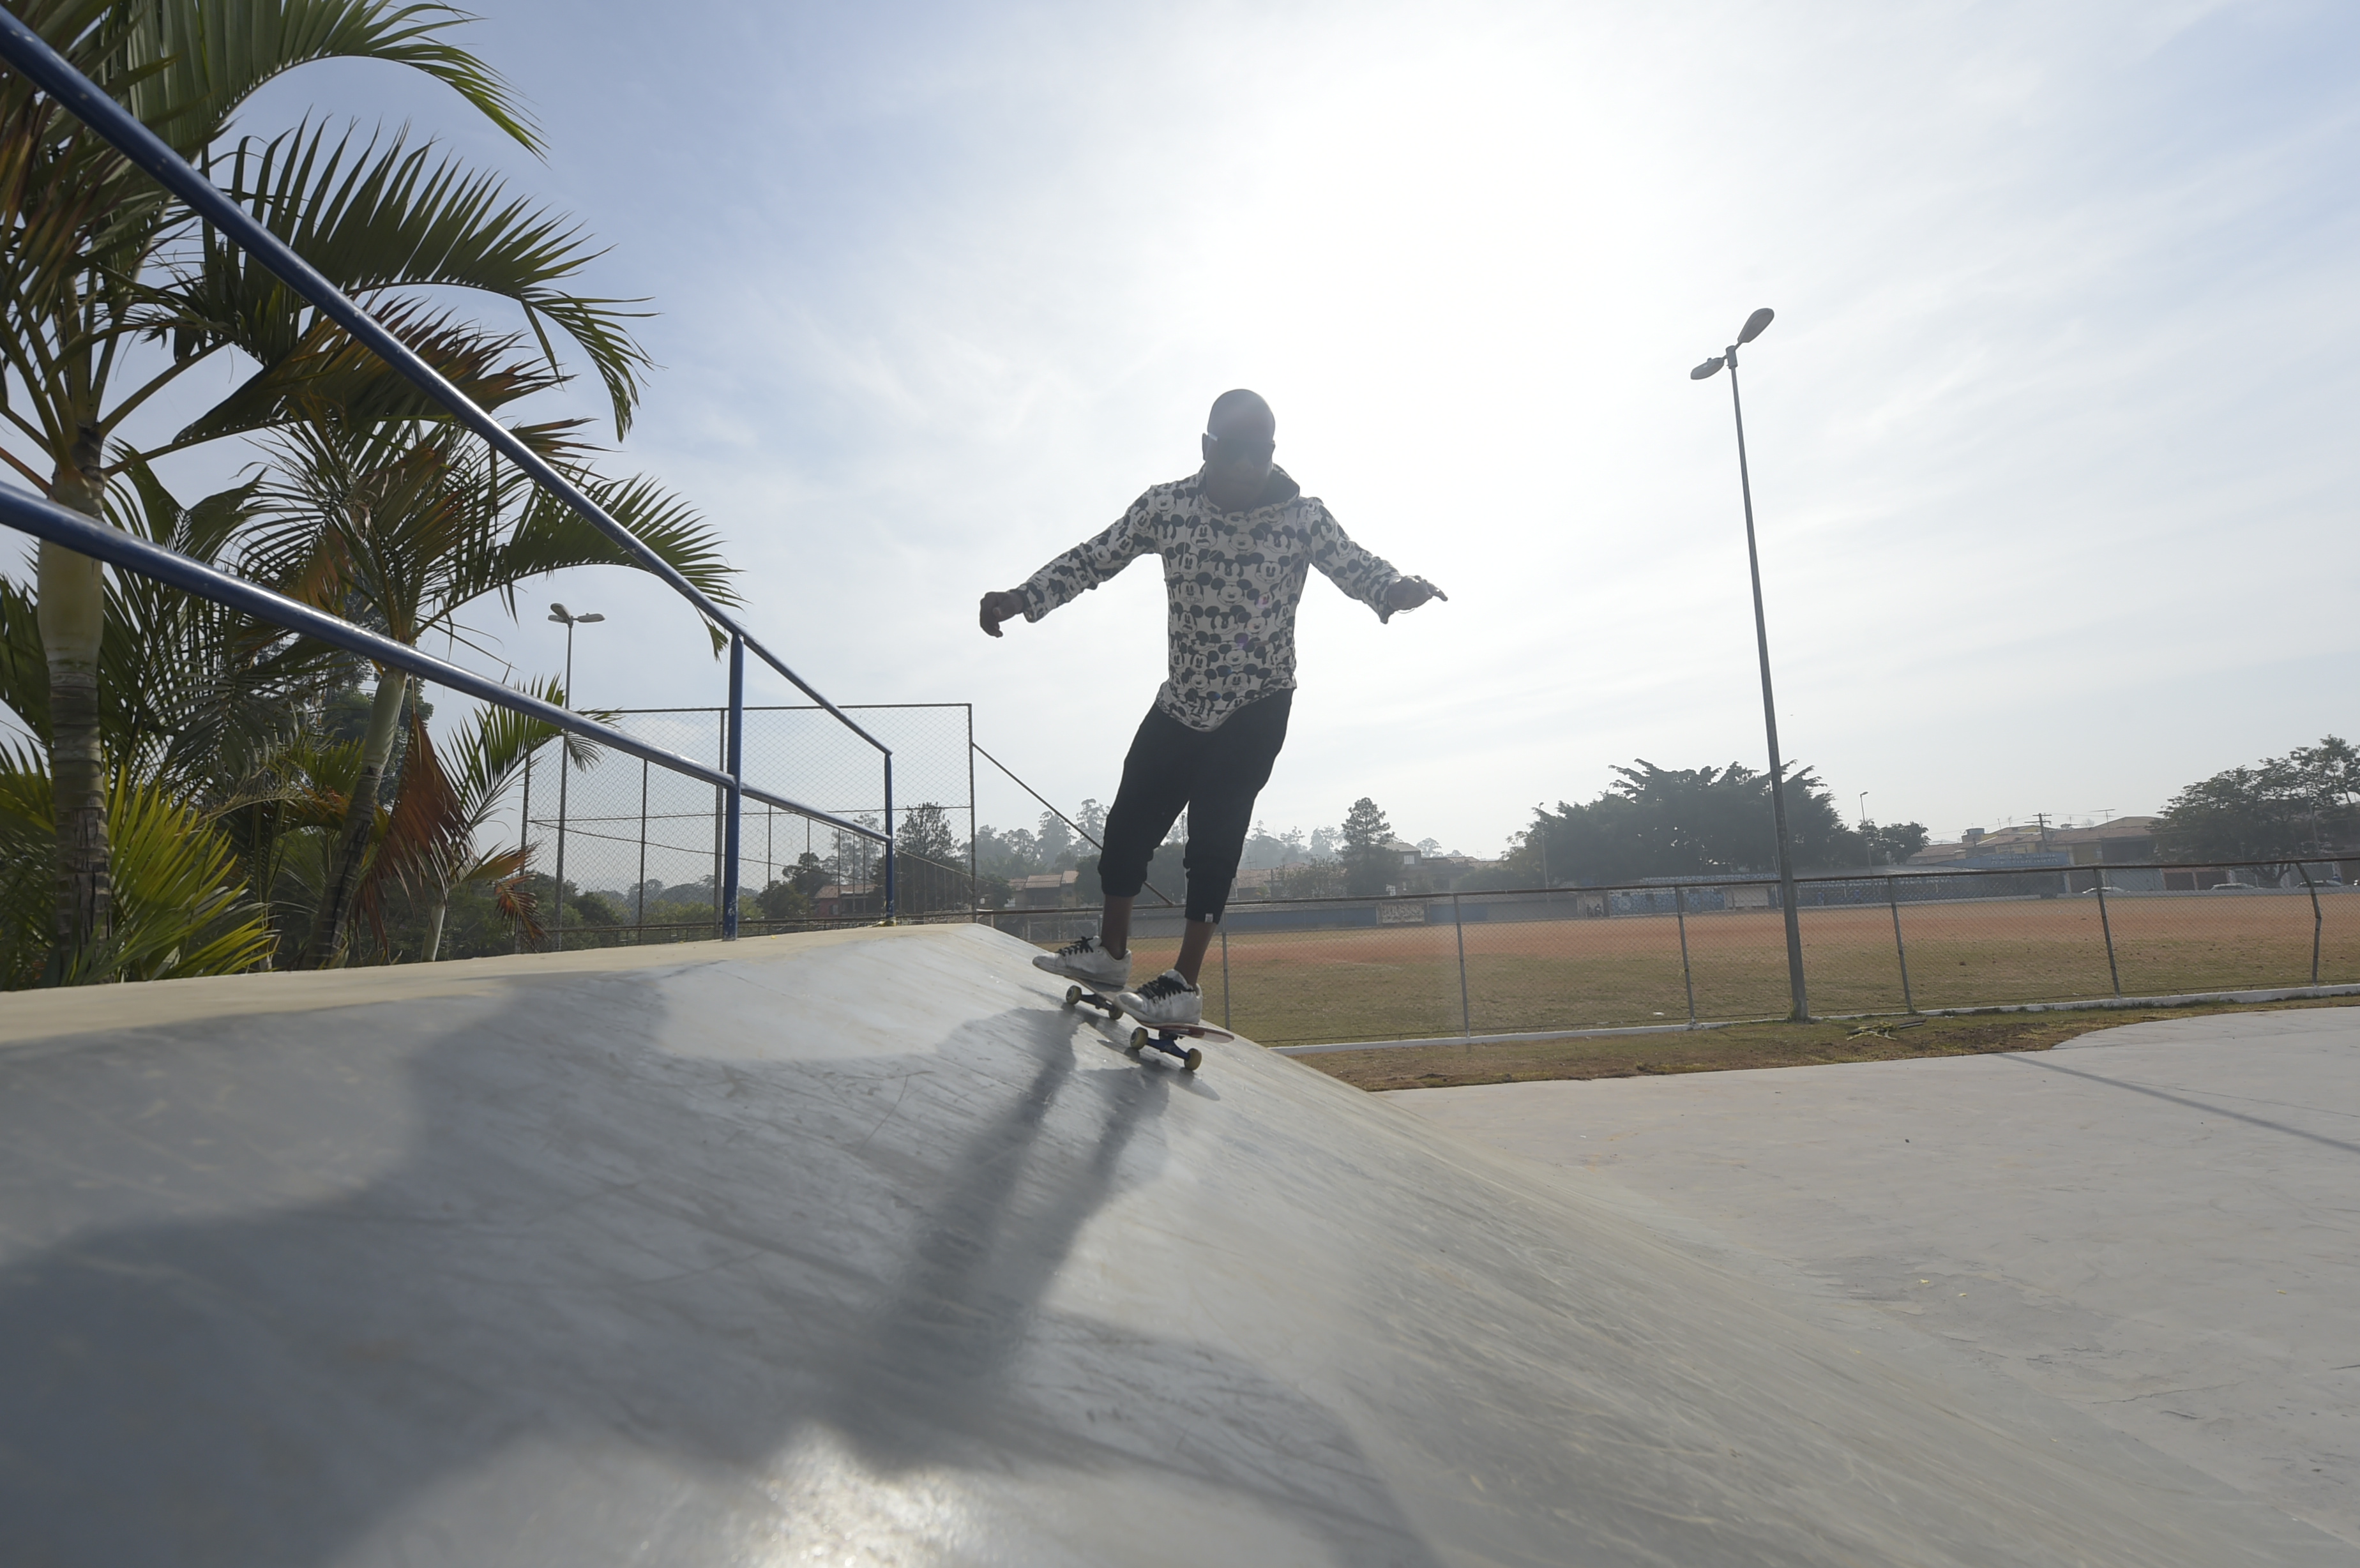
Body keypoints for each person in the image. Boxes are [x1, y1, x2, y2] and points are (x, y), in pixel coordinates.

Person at [978, 389, 1444, 1027]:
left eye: (1263, 452)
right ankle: (1110, 953)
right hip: (1181, 700)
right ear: (1207, 448)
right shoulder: (1166, 506)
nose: (1250, 466)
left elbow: (1356, 564)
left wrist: (1394, 588)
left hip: (1258, 703)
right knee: (1126, 828)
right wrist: (1023, 596)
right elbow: (1096, 556)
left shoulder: (1304, 517)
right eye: (1236, 452)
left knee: (1214, 839)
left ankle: (1184, 983)